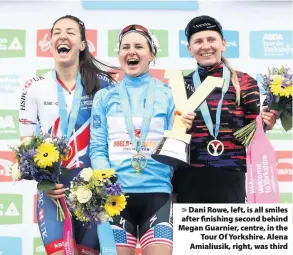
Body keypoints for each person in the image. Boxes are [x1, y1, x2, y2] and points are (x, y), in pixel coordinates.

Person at [89, 24, 194, 255]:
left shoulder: (169, 95)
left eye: (139, 46)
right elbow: (97, 149)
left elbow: (175, 149)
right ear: (119, 54)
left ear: (151, 54)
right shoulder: (104, 97)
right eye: (125, 47)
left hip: (158, 195)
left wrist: (182, 131)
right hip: (115, 196)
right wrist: (107, 179)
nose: (131, 51)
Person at [19, 15, 114, 255]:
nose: (63, 36)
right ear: (50, 42)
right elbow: (26, 143)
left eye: (71, 32)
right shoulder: (34, 87)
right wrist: (43, 182)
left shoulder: (103, 86)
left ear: (82, 44)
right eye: (57, 32)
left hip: (93, 192)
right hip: (54, 192)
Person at [172, 15, 278, 204]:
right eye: (198, 41)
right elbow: (171, 134)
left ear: (223, 44)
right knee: (190, 234)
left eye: (211, 39)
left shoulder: (244, 83)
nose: (205, 46)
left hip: (231, 175)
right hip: (188, 177)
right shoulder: (181, 85)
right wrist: (174, 126)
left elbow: (252, 134)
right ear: (190, 49)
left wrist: (265, 124)